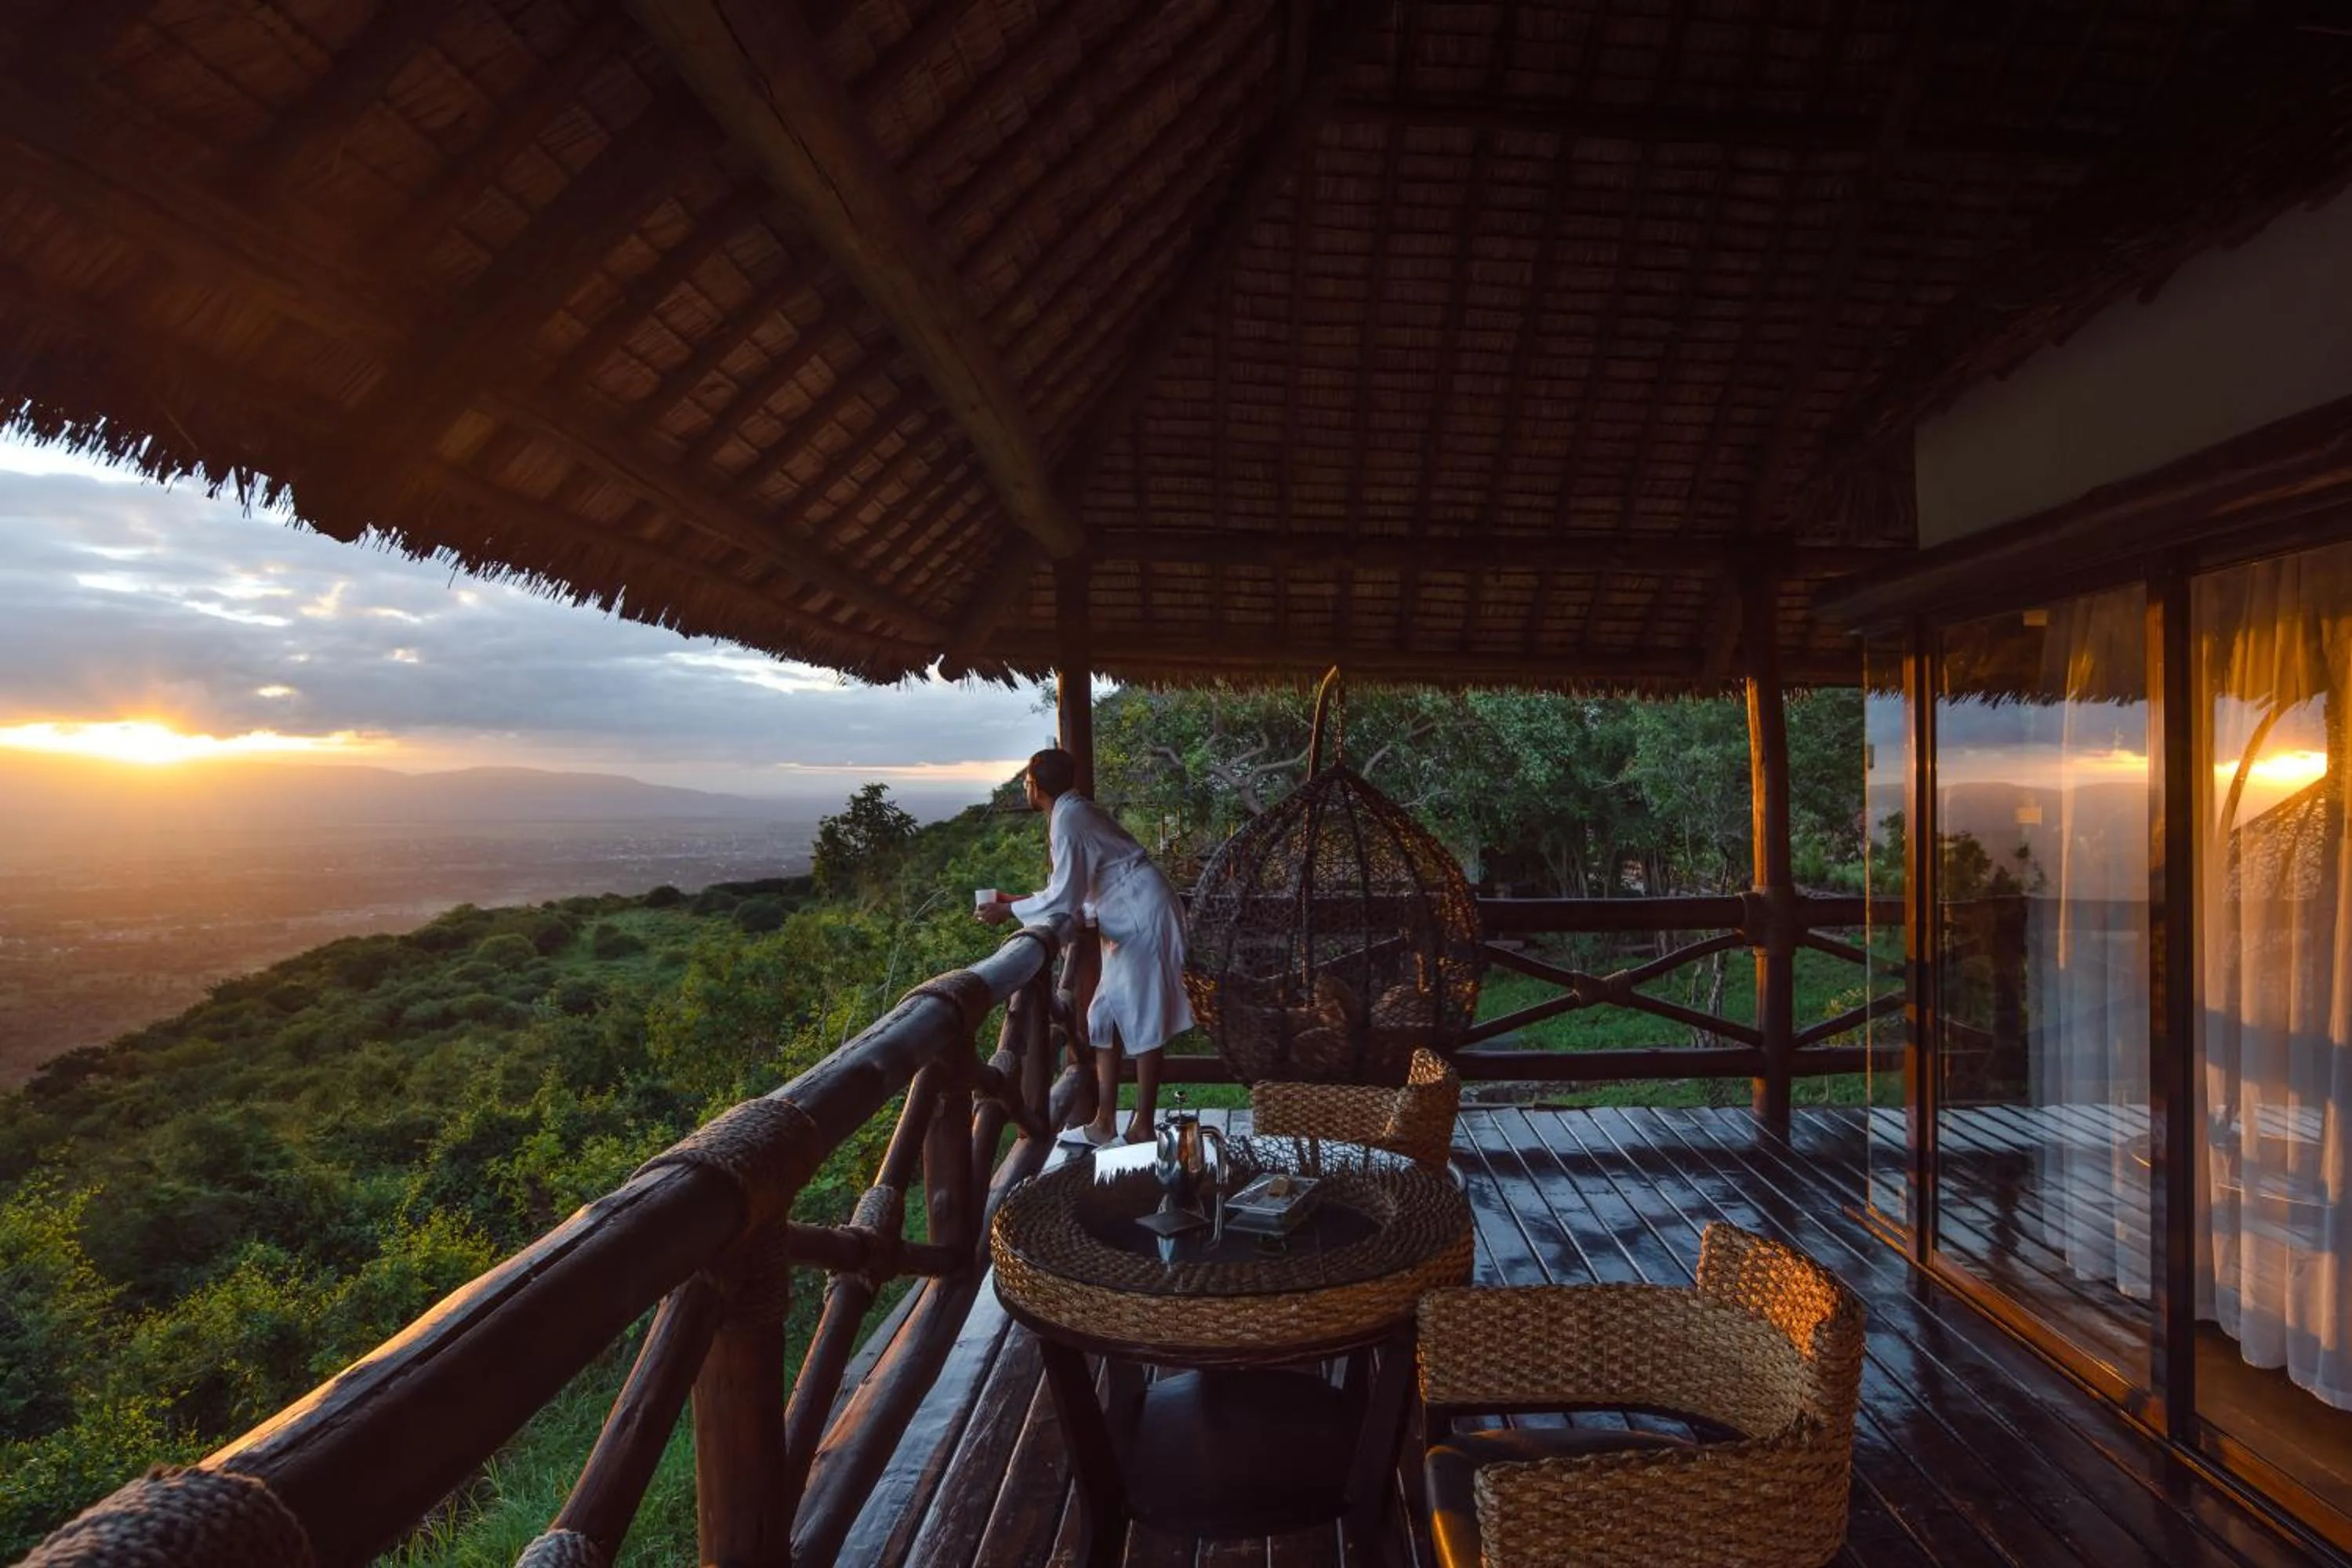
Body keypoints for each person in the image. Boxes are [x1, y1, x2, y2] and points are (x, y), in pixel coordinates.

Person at [978, 747, 1192, 1144]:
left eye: (1026, 781)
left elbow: (1064, 898)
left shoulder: (1070, 817)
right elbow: (1070, 887)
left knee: (1146, 1020)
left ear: (1033, 785)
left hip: (1140, 914)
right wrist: (1013, 901)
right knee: (1102, 1018)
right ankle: (1105, 1121)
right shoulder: (1070, 811)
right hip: (1130, 911)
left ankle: (1143, 1124)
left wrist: (1009, 914)